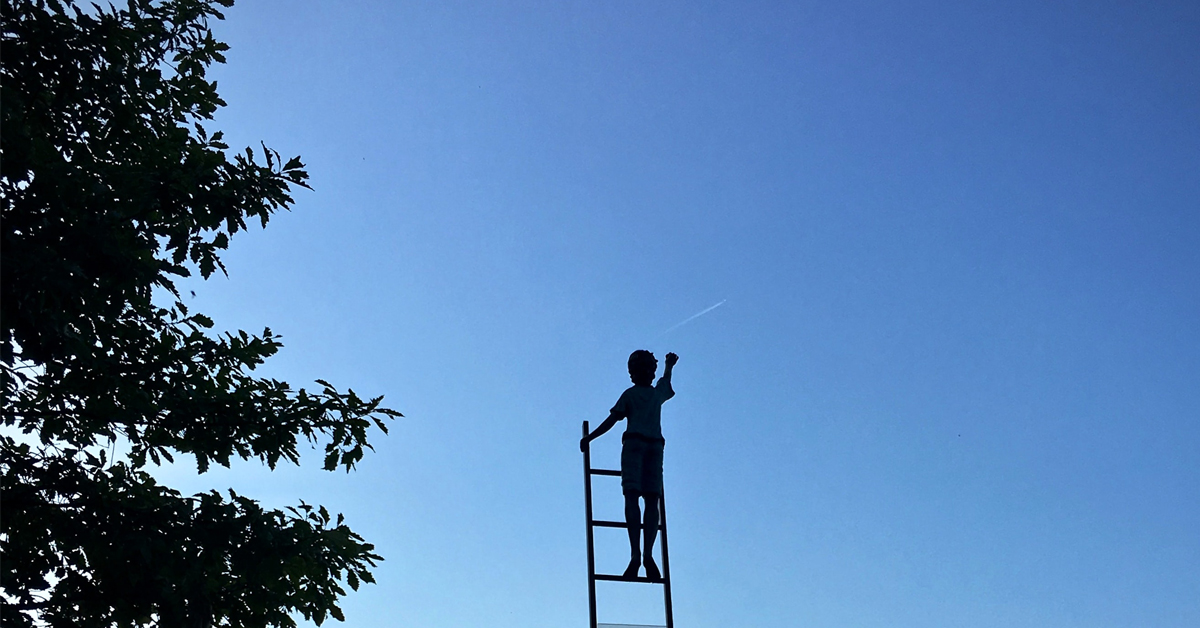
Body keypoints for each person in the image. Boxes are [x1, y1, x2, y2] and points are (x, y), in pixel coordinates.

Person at [581, 350, 678, 580]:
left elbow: (613, 419)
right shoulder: (644, 394)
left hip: (645, 446)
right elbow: (614, 419)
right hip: (646, 446)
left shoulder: (641, 394)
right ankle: (640, 555)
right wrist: (668, 366)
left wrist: (590, 438)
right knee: (641, 499)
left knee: (646, 499)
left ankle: (643, 555)